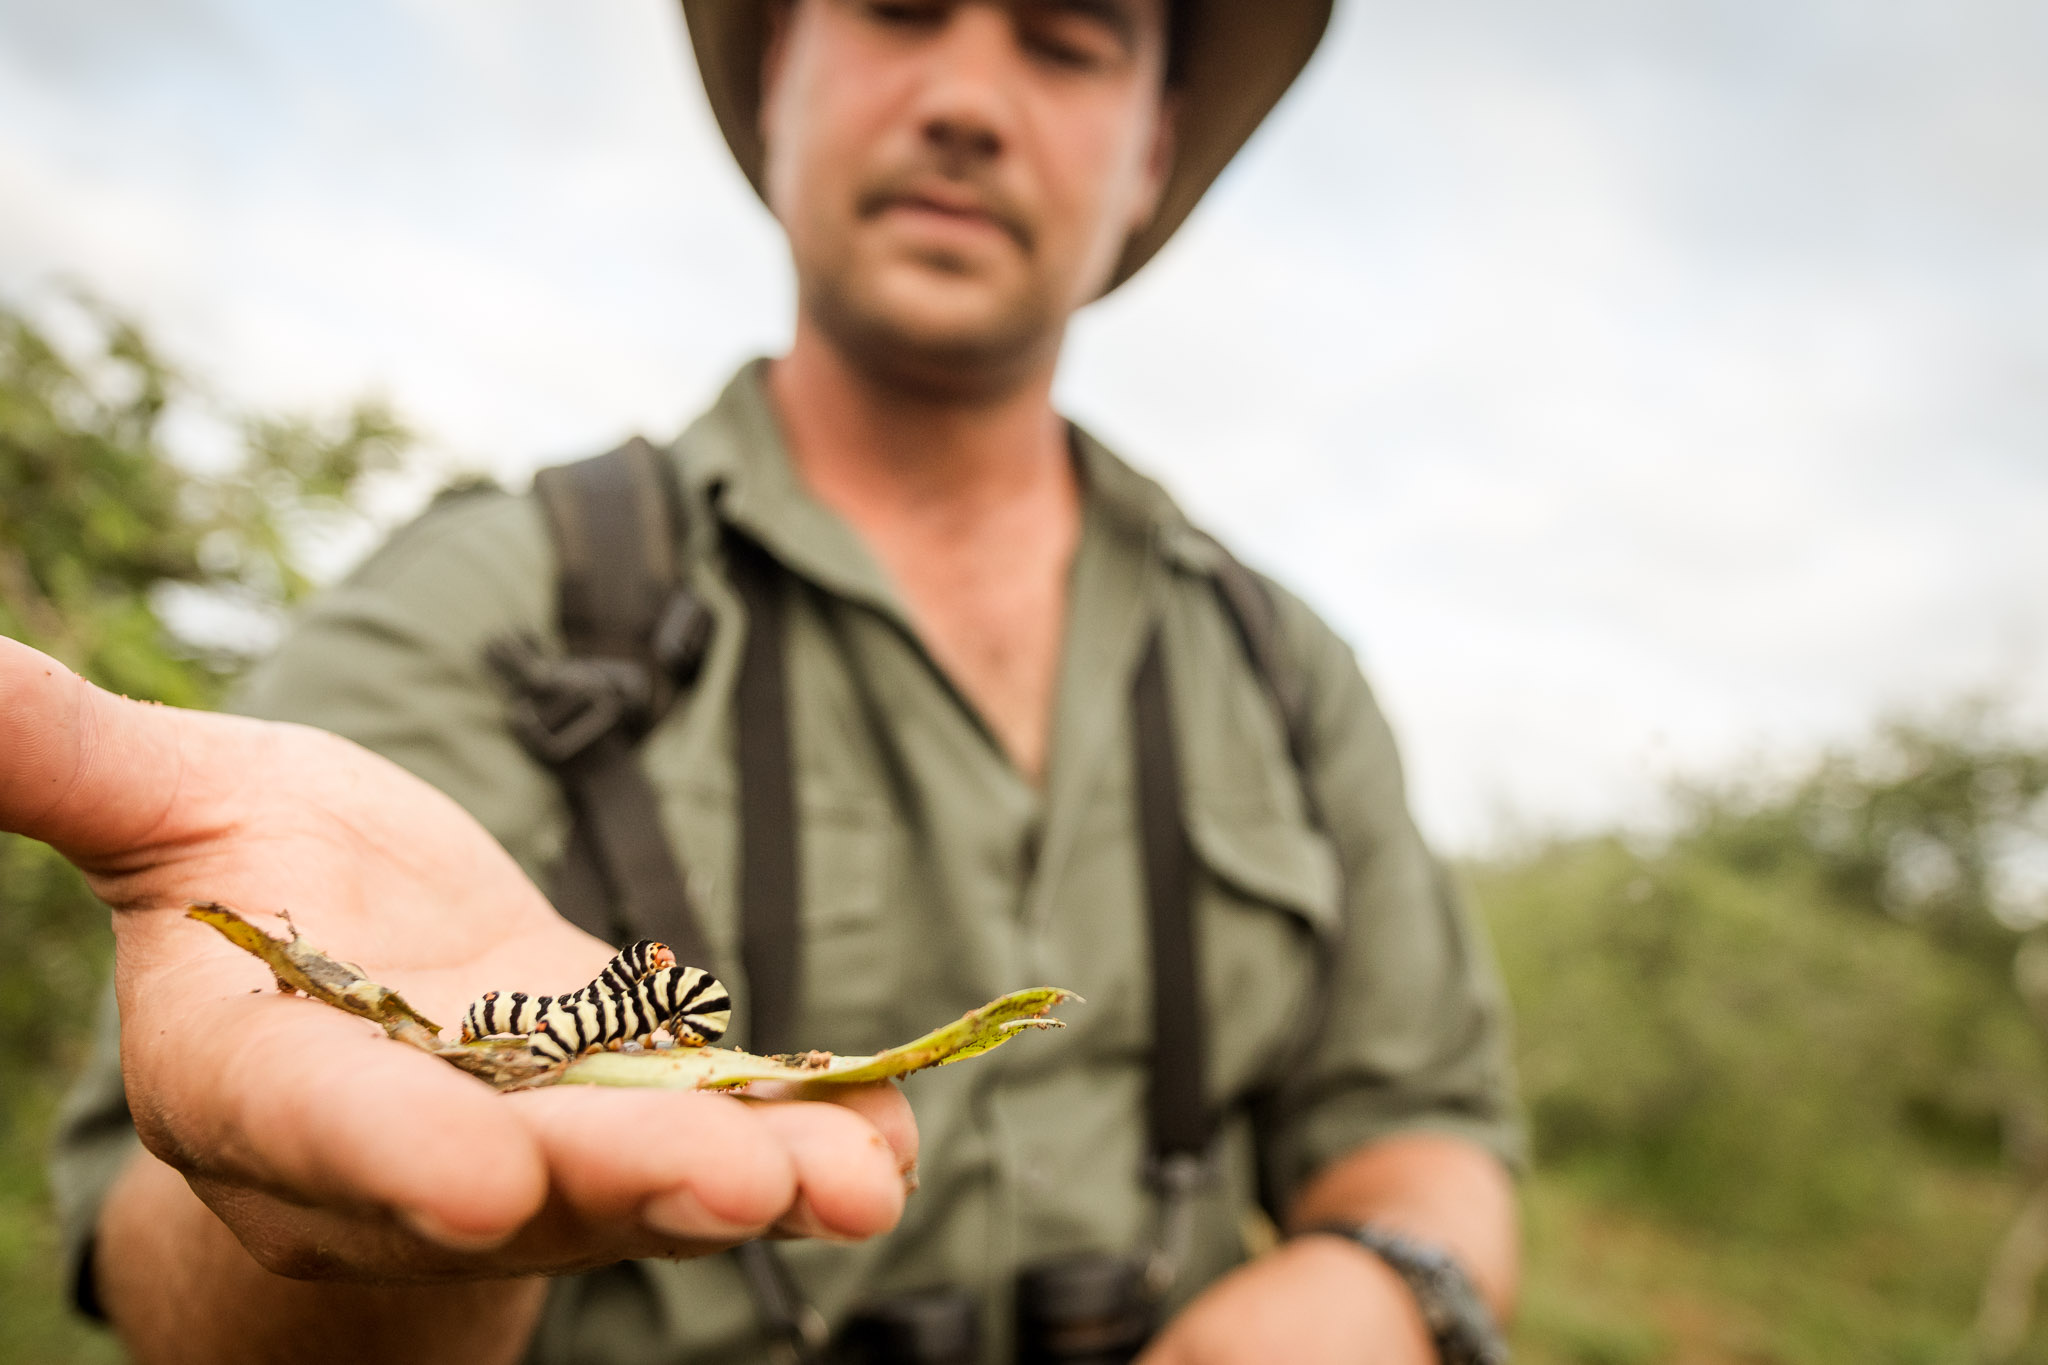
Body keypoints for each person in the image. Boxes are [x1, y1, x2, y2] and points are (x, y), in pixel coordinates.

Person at [42, 1, 1524, 1361]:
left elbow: (1428, 1133)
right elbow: (160, 1239)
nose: (966, 100)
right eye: (896, 10)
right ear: (777, 79)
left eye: (1066, 40)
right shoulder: (497, 600)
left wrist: (1373, 1294)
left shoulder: (1280, 672)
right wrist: (374, 1236)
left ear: (1149, 152)